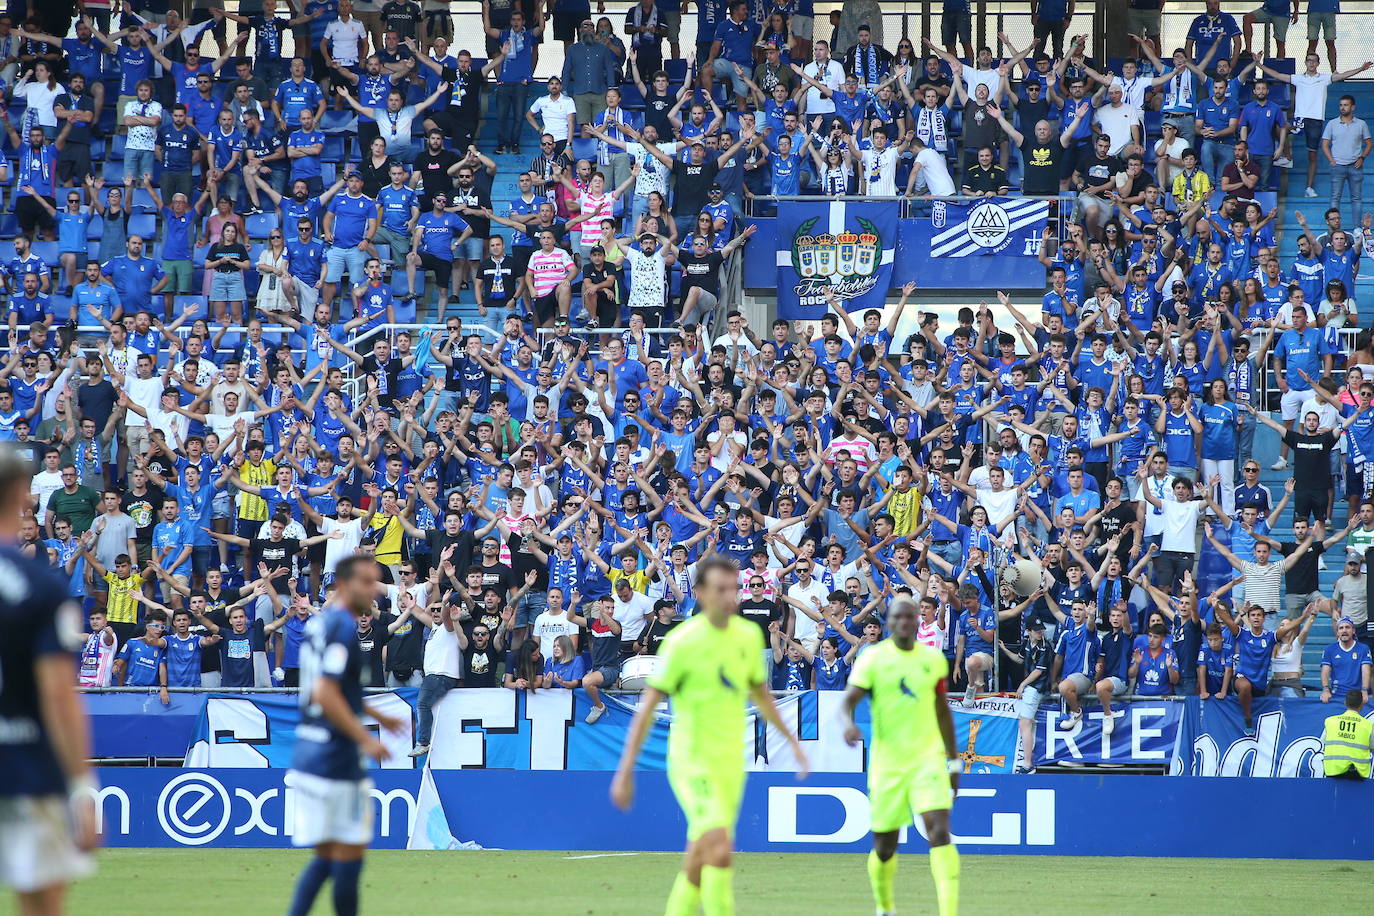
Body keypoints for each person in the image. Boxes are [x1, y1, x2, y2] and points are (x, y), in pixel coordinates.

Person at [611, 557, 808, 916]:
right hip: (692, 759)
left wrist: (794, 745)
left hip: (729, 763)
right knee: (718, 846)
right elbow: (650, 704)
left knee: (702, 857)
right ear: (700, 593)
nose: (729, 596)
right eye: (720, 589)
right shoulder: (682, 641)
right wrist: (625, 770)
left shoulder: (748, 635)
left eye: (733, 588)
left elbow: (760, 694)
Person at [0, 445, 99, 913]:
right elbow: (59, 695)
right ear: (25, 495)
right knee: (39, 903)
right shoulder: (41, 585)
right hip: (26, 766)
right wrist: (82, 786)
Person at [286, 555, 406, 916]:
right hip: (334, 756)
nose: (374, 592)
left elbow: (336, 687)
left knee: (327, 857)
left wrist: (378, 713)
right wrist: (366, 738)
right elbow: (326, 692)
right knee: (350, 855)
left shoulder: (319, 626)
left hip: (309, 748)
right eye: (367, 583)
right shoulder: (341, 627)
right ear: (343, 583)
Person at [839, 594, 961, 916]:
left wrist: (954, 760)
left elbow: (942, 710)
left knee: (938, 831)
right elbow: (847, 702)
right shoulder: (873, 659)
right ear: (889, 622)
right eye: (898, 617)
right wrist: (848, 725)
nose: (904, 622)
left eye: (910, 616)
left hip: (928, 759)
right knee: (884, 846)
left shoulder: (933, 659)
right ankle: (885, 907)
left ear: (918, 620)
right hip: (888, 764)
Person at [1321, 689, 1373, 779]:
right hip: (1359, 773)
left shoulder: (1330, 721)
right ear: (1361, 704)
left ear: (1345, 703)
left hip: (1333, 770)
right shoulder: (1368, 725)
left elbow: (1323, 741)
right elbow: (1372, 746)